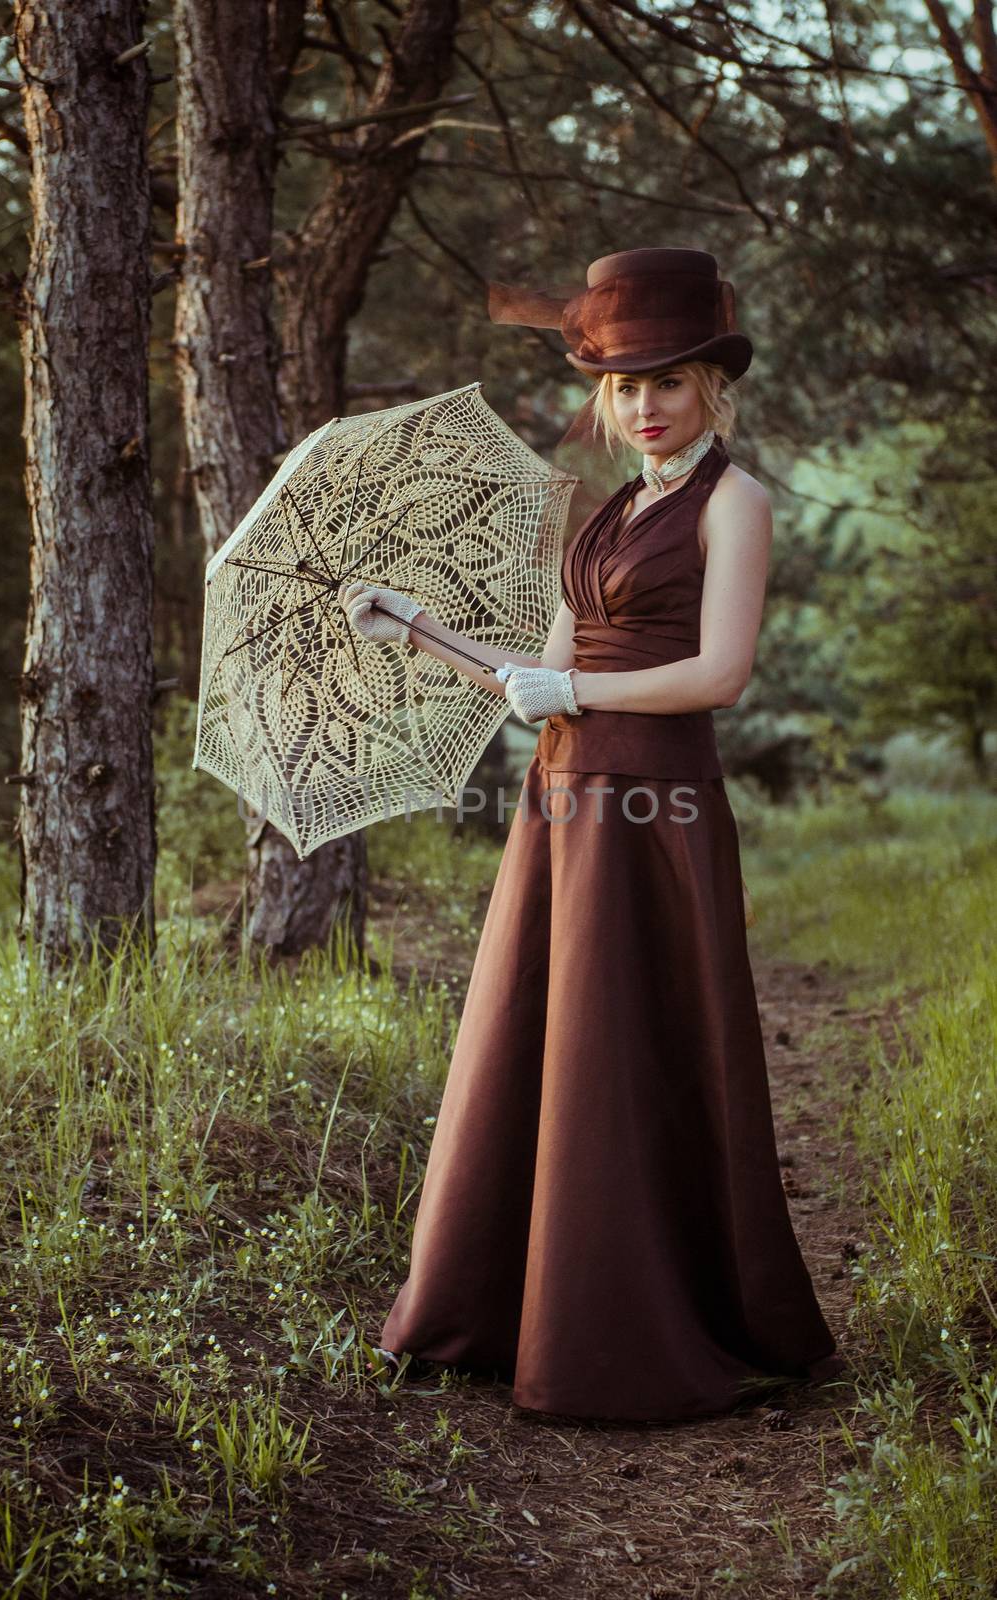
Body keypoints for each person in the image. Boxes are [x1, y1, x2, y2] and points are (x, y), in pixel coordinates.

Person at [337, 247, 845, 1425]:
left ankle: (644, 1327)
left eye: (667, 380)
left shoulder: (735, 501)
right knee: (541, 1037)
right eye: (624, 386)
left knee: (636, 1049)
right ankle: (511, 1309)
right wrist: (423, 633)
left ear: (710, 385)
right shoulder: (607, 510)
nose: (645, 404)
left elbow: (719, 675)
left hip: (656, 811)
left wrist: (573, 699)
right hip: (565, 803)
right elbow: (546, 672)